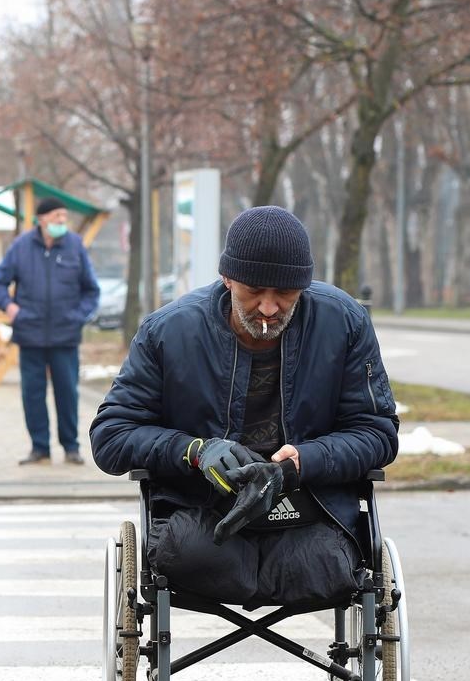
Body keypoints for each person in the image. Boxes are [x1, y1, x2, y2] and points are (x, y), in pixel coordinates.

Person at [90, 206, 400, 608]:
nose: (269, 308)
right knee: (188, 552)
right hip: (204, 510)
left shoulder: (345, 322)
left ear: (304, 285)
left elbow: (377, 432)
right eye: (254, 290)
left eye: (285, 293)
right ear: (227, 277)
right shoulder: (168, 331)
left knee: (326, 563)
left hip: (308, 508)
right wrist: (195, 451)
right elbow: (110, 437)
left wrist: (300, 464)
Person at [0, 196, 100, 466]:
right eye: (56, 217)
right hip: (30, 334)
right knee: (33, 394)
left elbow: (91, 290)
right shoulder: (22, 246)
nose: (62, 221)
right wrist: (10, 308)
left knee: (67, 392)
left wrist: (78, 316)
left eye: (64, 216)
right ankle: (39, 448)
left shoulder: (74, 246)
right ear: (41, 220)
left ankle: (71, 447)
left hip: (65, 335)